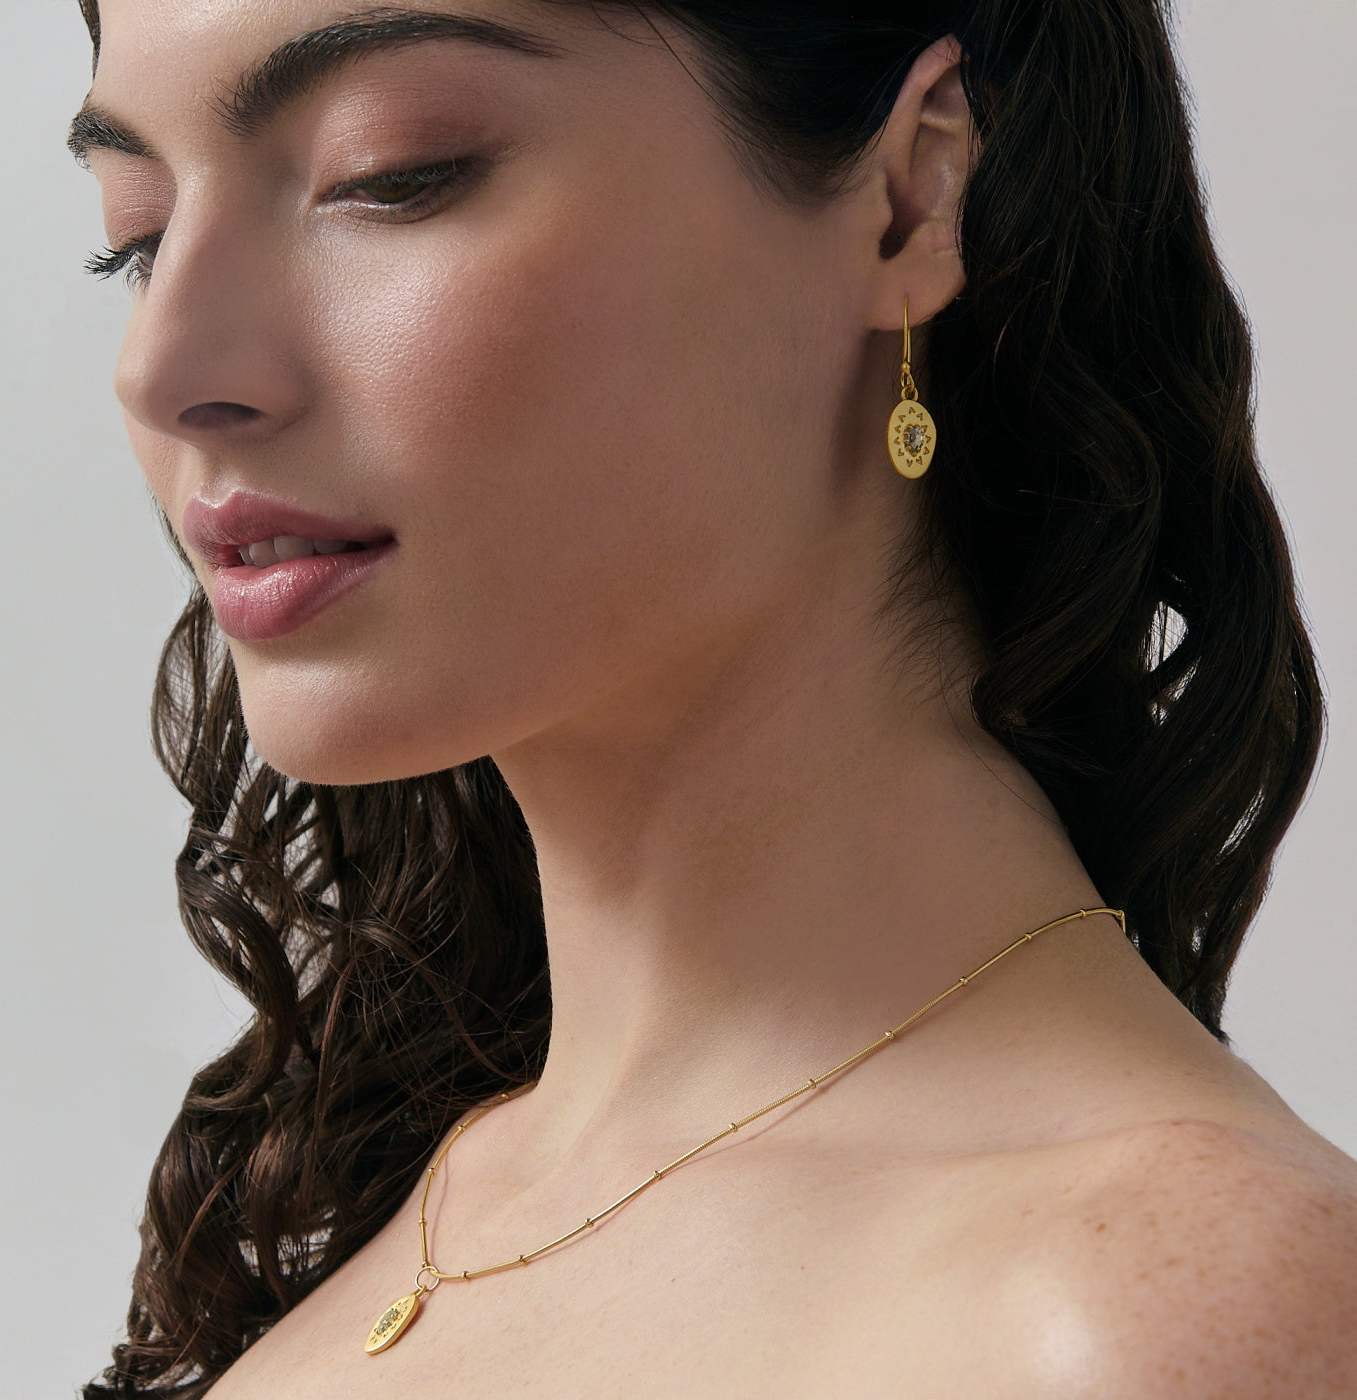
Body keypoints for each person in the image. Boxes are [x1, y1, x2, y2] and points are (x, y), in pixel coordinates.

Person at [70, 0, 1357, 1395]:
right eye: (139, 234)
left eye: (390, 176)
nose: (162, 367)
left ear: (911, 194)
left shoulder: (1158, 1317)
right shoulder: (400, 1220)